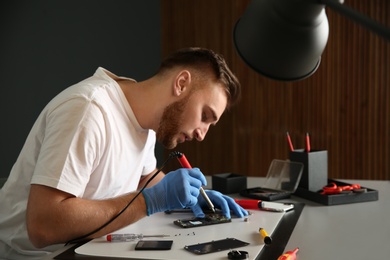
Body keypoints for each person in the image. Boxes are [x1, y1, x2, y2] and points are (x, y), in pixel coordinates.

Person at [0, 47, 248, 259]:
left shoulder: (148, 122)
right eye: (205, 116)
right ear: (181, 84)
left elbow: (143, 178)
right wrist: (150, 201)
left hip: (85, 250)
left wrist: (196, 198)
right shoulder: (89, 110)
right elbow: (43, 226)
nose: (202, 134)